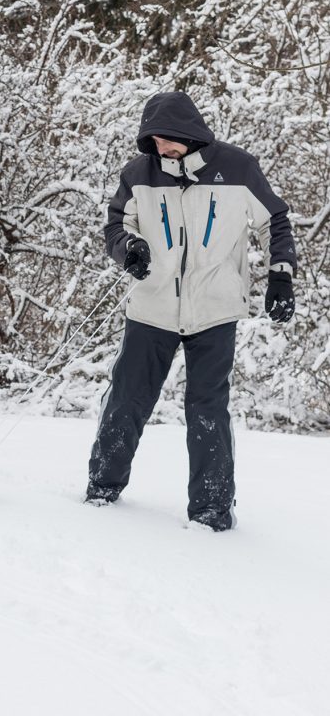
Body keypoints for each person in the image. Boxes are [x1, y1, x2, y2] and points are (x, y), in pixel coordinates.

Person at [86, 91, 296, 531]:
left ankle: (212, 510)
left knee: (207, 409)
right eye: (154, 141)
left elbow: (274, 218)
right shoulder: (138, 174)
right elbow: (115, 226)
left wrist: (281, 274)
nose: (160, 148)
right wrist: (130, 250)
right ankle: (102, 488)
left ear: (189, 132)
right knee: (127, 399)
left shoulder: (238, 169)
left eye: (166, 139)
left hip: (214, 311)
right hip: (152, 309)